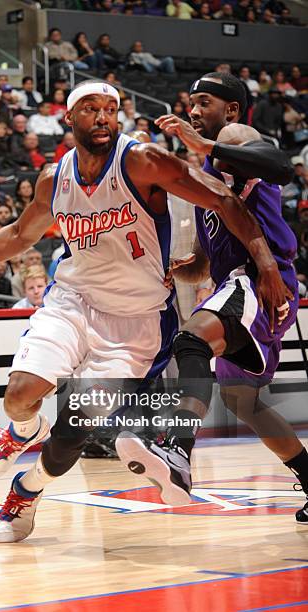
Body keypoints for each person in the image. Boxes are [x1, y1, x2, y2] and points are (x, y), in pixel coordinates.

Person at [0, 79, 287, 544]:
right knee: (20, 394)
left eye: (110, 109)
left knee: (74, 433)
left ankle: (26, 489)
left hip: (136, 322)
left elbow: (225, 200)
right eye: (91, 109)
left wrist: (265, 263)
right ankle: (21, 429)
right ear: (69, 117)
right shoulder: (55, 178)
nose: (102, 118)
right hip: (73, 301)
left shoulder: (142, 160)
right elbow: (19, 234)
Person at [117, 72, 307, 526]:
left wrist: (207, 147)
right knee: (245, 402)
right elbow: (210, 255)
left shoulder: (234, 137)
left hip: (260, 281)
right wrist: (189, 266)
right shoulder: (207, 176)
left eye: (204, 102)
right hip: (239, 282)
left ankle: (177, 451)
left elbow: (280, 164)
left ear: (232, 111)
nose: (194, 112)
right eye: (191, 104)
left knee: (191, 343)